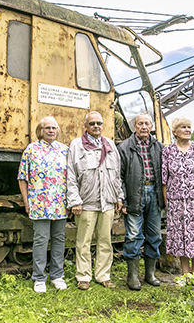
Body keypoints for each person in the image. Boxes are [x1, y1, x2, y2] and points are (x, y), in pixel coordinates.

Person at [67, 111, 124, 290]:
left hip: (107, 202)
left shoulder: (110, 145)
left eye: (99, 123)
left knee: (105, 241)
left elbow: (116, 174)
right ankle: (83, 276)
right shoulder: (76, 145)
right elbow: (70, 175)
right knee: (83, 241)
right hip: (87, 203)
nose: (96, 126)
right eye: (92, 123)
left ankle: (103, 275)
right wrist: (75, 200)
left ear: (103, 125)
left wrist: (118, 196)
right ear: (86, 125)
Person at [161, 117, 194, 286]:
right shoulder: (167, 151)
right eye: (183, 127)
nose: (187, 130)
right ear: (175, 132)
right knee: (181, 237)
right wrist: (167, 203)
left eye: (189, 127)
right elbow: (165, 179)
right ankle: (185, 275)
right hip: (177, 202)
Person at [18, 116, 69, 293]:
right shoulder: (31, 150)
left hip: (60, 204)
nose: (51, 131)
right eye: (47, 128)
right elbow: (23, 177)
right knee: (40, 239)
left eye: (54, 128)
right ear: (40, 130)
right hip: (40, 204)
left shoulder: (64, 150)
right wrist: (26, 201)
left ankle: (57, 275)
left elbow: (71, 178)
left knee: (59, 239)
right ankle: (39, 278)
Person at [117, 113, 163, 291]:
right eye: (140, 124)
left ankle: (150, 274)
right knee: (133, 235)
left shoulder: (159, 146)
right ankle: (133, 276)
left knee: (154, 235)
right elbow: (119, 176)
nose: (144, 127)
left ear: (151, 126)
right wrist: (123, 198)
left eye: (147, 123)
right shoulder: (124, 147)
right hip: (134, 193)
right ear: (134, 126)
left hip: (154, 192)